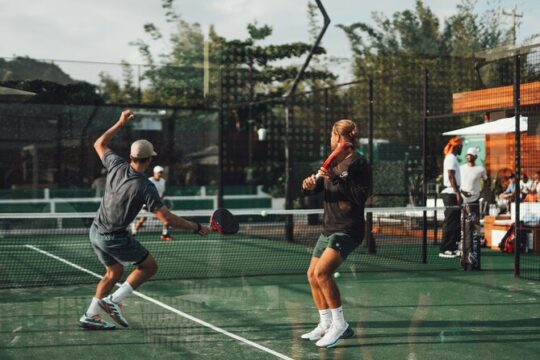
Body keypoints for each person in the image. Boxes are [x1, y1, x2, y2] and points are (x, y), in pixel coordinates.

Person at [79, 110, 211, 330]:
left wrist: (120, 121)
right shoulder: (145, 186)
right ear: (149, 160)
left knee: (115, 272)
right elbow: (166, 217)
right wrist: (197, 227)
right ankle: (114, 300)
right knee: (149, 267)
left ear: (131, 157)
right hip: (114, 237)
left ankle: (90, 315)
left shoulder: (115, 165)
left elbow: (99, 142)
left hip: (95, 231)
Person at [300, 119, 370, 348]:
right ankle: (325, 323)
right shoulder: (331, 162)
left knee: (322, 273)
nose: (330, 140)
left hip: (348, 229)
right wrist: (310, 185)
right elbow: (319, 188)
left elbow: (360, 197)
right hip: (328, 227)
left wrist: (336, 179)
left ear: (339, 137)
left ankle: (340, 325)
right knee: (312, 274)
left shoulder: (359, 163)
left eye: (331, 135)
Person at [132, 165, 173, 241]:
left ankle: (164, 235)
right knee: (142, 219)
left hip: (157, 205)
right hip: (147, 204)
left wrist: (160, 200)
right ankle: (133, 234)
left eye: (161, 172)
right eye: (159, 172)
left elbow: (163, 193)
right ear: (154, 173)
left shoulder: (163, 181)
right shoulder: (149, 180)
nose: (160, 174)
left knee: (166, 219)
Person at [439, 137, 463, 258]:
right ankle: (445, 249)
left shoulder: (453, 158)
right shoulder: (450, 158)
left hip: (453, 192)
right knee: (450, 222)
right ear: (456, 146)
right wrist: (457, 193)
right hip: (450, 194)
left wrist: (461, 191)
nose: (462, 148)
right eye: (461, 146)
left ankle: (452, 248)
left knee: (455, 222)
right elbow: (451, 176)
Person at [459, 147, 487, 219]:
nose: (468, 156)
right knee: (462, 220)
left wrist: (482, 194)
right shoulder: (461, 168)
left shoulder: (480, 169)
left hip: (475, 199)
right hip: (462, 199)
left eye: (471, 155)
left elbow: (486, 181)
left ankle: (474, 230)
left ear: (476, 157)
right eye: (467, 155)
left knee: (474, 220)